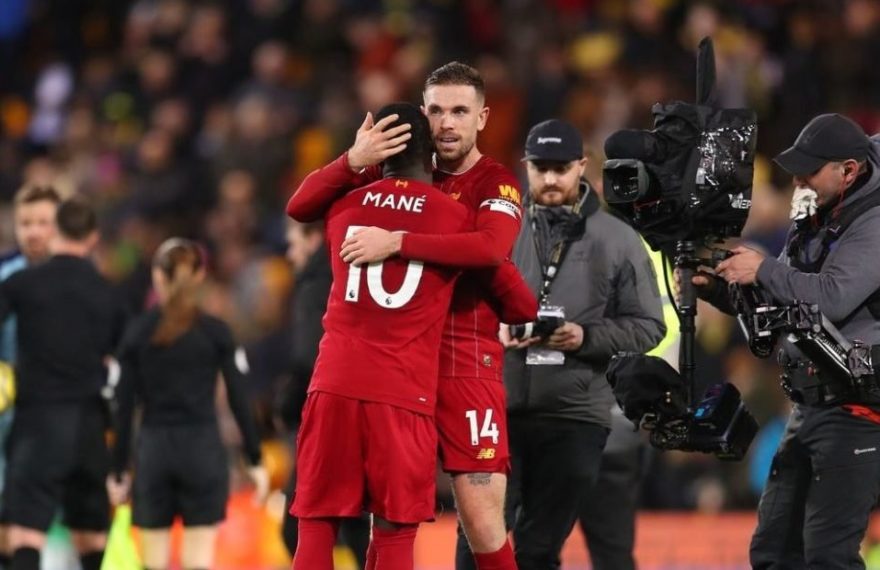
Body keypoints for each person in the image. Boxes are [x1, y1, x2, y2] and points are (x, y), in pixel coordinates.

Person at [291, 61, 528, 570]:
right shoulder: (399, 167)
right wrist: (352, 158)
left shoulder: (496, 182)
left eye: (459, 111)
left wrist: (398, 240)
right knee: (390, 517)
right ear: (422, 114)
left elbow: (490, 248)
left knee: (481, 519)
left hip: (464, 358)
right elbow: (300, 205)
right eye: (437, 111)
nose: (447, 123)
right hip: (401, 363)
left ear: (482, 118)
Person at [693, 113, 880, 568]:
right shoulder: (817, 212)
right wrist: (719, 289)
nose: (798, 180)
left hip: (857, 411)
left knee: (829, 556)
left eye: (809, 170)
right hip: (809, 404)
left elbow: (831, 298)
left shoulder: (874, 221)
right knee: (774, 553)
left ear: (848, 170)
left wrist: (763, 268)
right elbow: (782, 305)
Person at [492, 119, 665, 570]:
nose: (550, 179)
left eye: (561, 168)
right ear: (525, 166)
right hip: (499, 409)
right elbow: (459, 309)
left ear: (582, 166)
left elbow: (650, 326)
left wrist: (585, 337)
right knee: (477, 538)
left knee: (538, 549)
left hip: (575, 415)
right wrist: (496, 330)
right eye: (541, 168)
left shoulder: (618, 238)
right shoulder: (499, 228)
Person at [108, 237, 268, 570]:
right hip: (202, 452)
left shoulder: (137, 333)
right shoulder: (216, 332)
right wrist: (254, 457)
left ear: (157, 276)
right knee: (198, 562)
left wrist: (119, 468)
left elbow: (123, 407)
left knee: (154, 564)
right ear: (199, 276)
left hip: (154, 452)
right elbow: (239, 396)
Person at [0, 196, 126, 570]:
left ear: (55, 231)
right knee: (90, 535)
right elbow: (121, 363)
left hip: (38, 422)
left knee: (25, 532)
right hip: (90, 425)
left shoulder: (22, 283)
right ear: (93, 237)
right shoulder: (109, 293)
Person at [277, 220, 370, 567]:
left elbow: (308, 355)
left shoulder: (315, 284)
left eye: (293, 243)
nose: (290, 254)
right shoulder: (351, 274)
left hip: (327, 415)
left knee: (297, 525)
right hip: (363, 408)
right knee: (359, 518)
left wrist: (287, 403)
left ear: (314, 238)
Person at [0, 185, 60, 569]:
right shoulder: (5, 279)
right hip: (8, 420)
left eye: (43, 222)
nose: (34, 232)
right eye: (26, 223)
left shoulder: (78, 281)